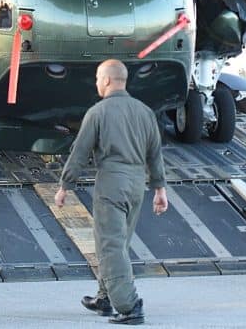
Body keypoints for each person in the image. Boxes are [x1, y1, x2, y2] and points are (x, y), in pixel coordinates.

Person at [55, 59, 168, 326]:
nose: (96, 82)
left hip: (112, 183)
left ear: (106, 80)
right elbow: (155, 154)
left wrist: (64, 186)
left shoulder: (98, 112)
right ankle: (105, 298)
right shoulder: (145, 112)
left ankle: (129, 306)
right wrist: (159, 189)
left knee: (110, 246)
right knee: (120, 243)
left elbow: (79, 152)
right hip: (136, 185)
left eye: (97, 78)